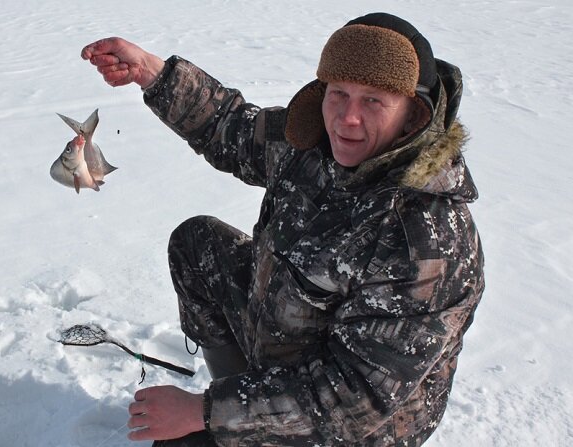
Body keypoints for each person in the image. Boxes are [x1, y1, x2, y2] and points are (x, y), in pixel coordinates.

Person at [82, 12, 484, 446]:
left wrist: (205, 412)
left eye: (373, 100)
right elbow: (230, 126)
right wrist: (151, 73)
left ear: (413, 116)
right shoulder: (314, 145)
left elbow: (355, 400)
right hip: (287, 339)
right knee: (197, 244)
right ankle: (248, 403)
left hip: (358, 429)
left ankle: (246, 423)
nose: (347, 118)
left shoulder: (422, 239)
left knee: (178, 439)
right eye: (339, 94)